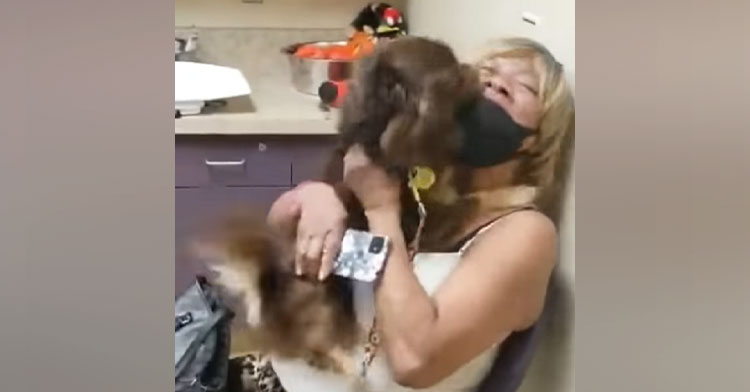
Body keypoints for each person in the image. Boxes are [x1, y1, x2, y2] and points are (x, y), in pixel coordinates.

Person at [261, 37, 574, 392]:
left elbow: (414, 363)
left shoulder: (524, 232)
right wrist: (312, 199)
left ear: (536, 139)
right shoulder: (418, 183)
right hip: (289, 374)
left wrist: (381, 210)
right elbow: (280, 245)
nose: (495, 82)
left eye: (524, 86)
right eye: (486, 73)